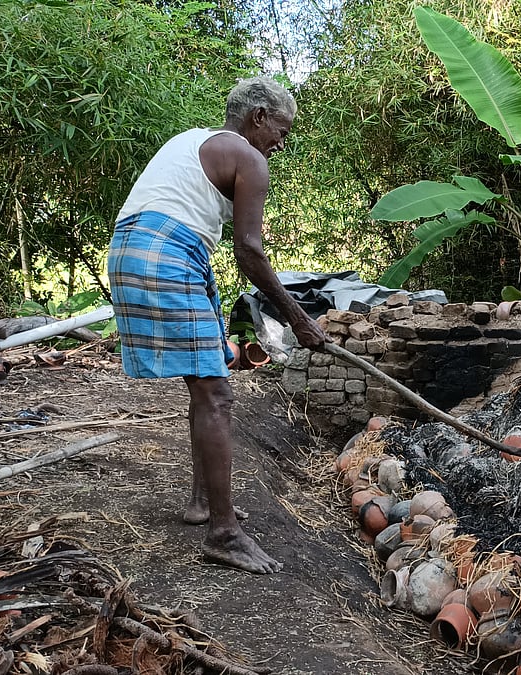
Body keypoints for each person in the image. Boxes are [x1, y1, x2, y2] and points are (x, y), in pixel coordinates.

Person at [107, 76, 326, 573]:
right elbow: (249, 250)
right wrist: (299, 319)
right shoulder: (250, 158)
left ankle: (203, 504)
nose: (281, 142)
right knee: (217, 394)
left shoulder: (192, 140)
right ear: (259, 116)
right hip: (166, 254)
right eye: (281, 130)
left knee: (205, 385)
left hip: (132, 249)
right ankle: (223, 534)